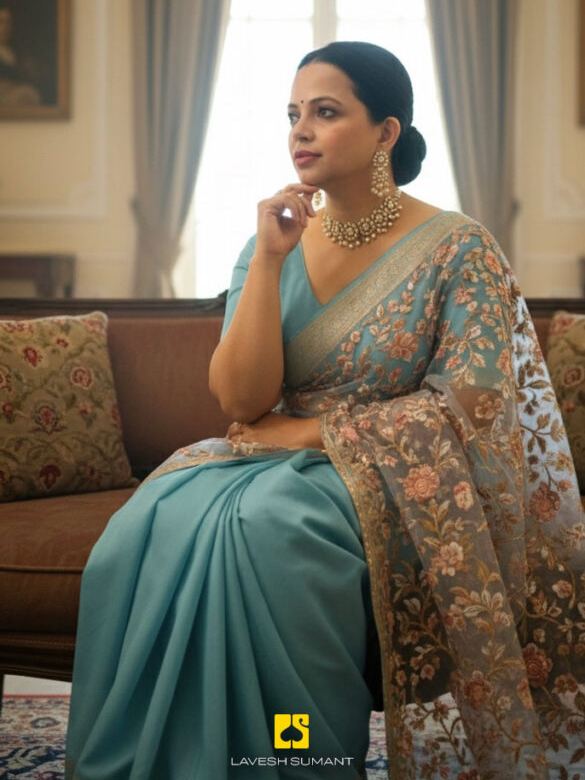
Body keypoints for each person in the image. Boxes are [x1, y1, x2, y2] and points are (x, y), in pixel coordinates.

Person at [65, 41, 585, 780]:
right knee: (140, 529)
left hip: (398, 484)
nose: (299, 130)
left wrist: (310, 433)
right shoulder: (270, 240)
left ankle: (290, 758)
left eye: (325, 111)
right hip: (267, 462)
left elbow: (472, 406)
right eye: (292, 114)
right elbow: (240, 401)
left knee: (273, 531)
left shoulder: (456, 249)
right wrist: (271, 261)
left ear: (385, 133)